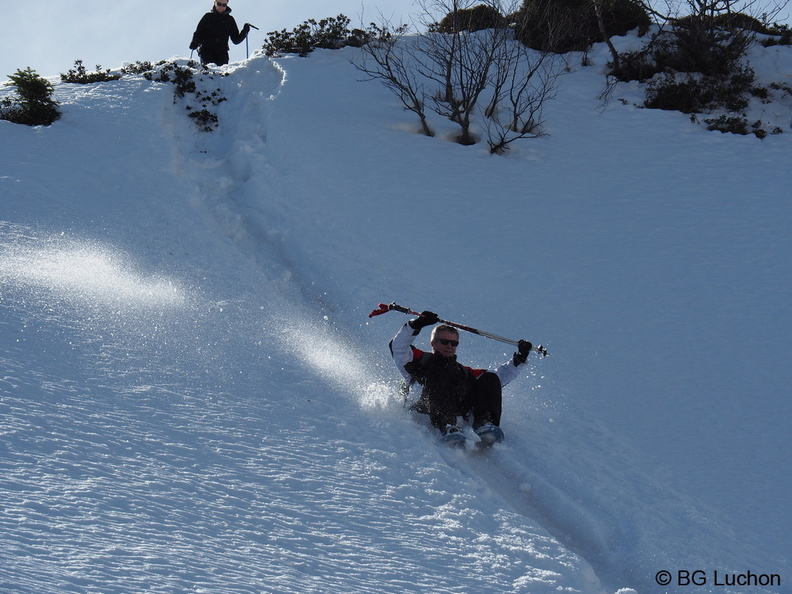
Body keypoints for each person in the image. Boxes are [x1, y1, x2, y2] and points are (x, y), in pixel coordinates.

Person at [390, 310, 532, 443]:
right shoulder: (420, 360)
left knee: (489, 377)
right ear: (433, 343)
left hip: (456, 407)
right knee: (441, 371)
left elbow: (497, 378)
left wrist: (519, 359)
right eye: (444, 342)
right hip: (424, 405)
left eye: (454, 343)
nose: (449, 346)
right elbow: (397, 347)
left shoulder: (462, 370)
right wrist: (417, 324)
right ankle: (447, 425)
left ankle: (484, 423)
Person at [189, 1, 251, 66]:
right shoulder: (208, 17)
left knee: (221, 73)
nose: (221, 6)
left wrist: (245, 31)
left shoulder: (229, 20)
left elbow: (236, 39)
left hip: (222, 52)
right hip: (207, 50)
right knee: (208, 71)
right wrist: (195, 42)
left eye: (224, 5)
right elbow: (199, 32)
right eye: (219, 4)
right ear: (215, 3)